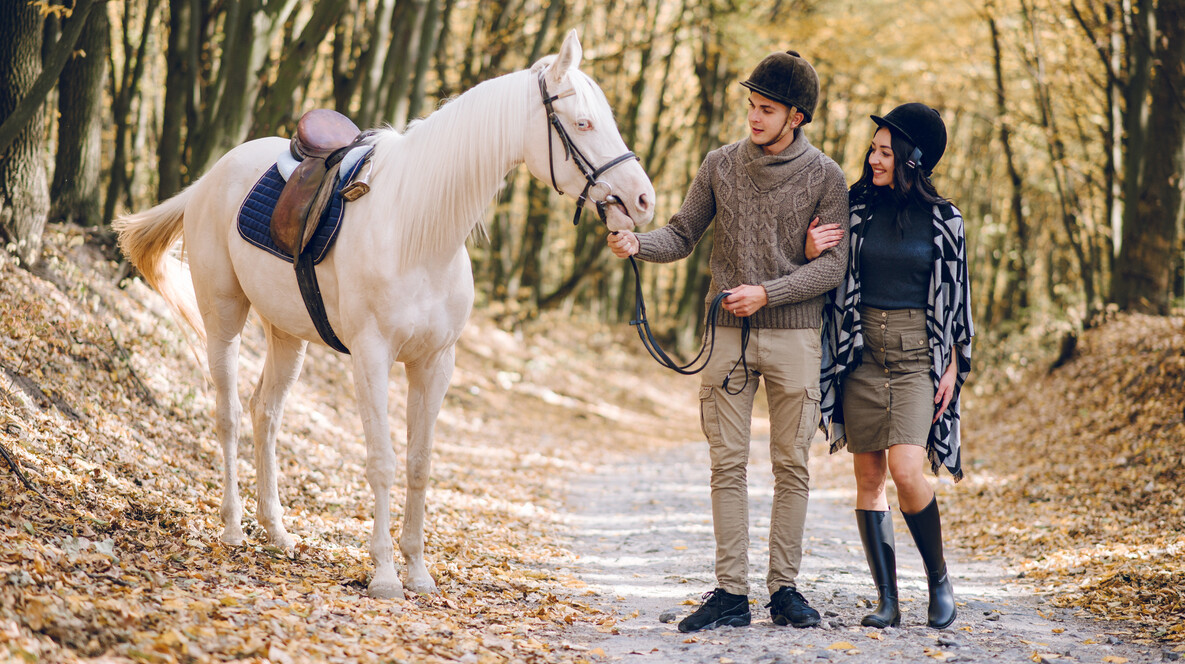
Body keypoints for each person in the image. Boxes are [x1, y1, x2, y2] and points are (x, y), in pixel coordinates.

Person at [607, 50, 849, 633]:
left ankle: (785, 590)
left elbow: (833, 267)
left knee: (792, 466)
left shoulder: (827, 177)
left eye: (766, 109)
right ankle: (730, 593)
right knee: (726, 466)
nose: (753, 117)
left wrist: (767, 294)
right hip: (725, 338)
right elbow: (683, 234)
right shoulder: (718, 164)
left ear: (797, 115)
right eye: (751, 106)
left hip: (794, 339)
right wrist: (639, 245)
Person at [809, 102, 973, 629]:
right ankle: (887, 599)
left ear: (911, 159)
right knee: (868, 476)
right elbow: (823, 268)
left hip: (916, 354)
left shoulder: (946, 219)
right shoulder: (854, 208)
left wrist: (953, 364)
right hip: (859, 350)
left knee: (907, 469)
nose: (873, 158)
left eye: (885, 151)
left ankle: (939, 580)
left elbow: (957, 299)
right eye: (873, 149)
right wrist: (812, 247)